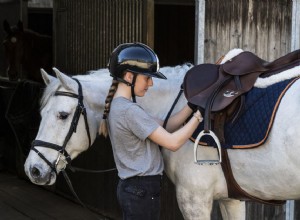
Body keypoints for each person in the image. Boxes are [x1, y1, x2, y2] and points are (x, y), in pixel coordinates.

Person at [99, 42, 202, 220]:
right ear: (129, 77)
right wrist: (199, 116)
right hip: (142, 191)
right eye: (147, 78)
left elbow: (164, 126)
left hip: (136, 190)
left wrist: (191, 106)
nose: (151, 83)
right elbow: (173, 142)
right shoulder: (129, 111)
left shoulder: (122, 107)